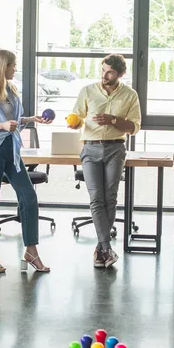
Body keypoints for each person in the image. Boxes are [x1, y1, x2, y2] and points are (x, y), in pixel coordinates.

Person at [0, 49, 51, 273]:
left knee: (29, 196)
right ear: (2, 66)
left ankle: (31, 251)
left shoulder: (11, 90)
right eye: (12, 65)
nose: (15, 68)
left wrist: (28, 119)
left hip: (12, 151)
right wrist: (2, 126)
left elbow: (13, 121)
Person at [70, 54, 141, 268]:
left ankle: (101, 249)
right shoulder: (88, 91)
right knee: (96, 197)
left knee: (110, 198)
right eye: (102, 70)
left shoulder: (130, 95)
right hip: (90, 149)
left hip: (115, 148)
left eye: (109, 72)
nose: (104, 75)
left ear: (120, 74)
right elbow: (77, 116)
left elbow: (134, 127)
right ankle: (106, 247)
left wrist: (112, 120)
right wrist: (74, 123)